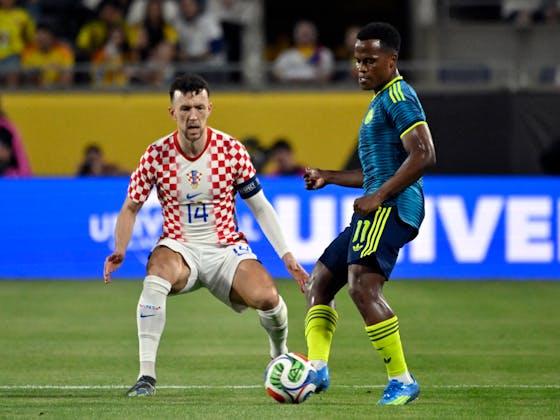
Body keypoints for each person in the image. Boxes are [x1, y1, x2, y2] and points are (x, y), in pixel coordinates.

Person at [103, 73, 308, 397]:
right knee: (156, 273)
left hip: (226, 249)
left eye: (199, 107)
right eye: (185, 109)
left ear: (210, 108)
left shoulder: (231, 150)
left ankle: (278, 356)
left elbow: (260, 207)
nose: (193, 116)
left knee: (269, 299)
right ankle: (146, 376)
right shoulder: (156, 154)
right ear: (172, 112)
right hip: (179, 247)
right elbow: (130, 207)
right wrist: (120, 249)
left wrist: (288, 257)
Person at [302, 22, 436, 406]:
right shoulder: (379, 101)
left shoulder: (399, 96)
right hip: (381, 202)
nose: (361, 68)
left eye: (370, 60)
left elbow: (424, 154)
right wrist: (329, 176)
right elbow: (377, 172)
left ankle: (402, 380)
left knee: (362, 286)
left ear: (391, 61)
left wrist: (378, 196)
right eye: (358, 60)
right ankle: (317, 368)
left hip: (394, 206)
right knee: (319, 282)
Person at [21, 23, 74, 88]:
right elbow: (27, 76)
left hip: (59, 90)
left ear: (52, 37)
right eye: (38, 36)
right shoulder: (28, 51)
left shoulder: (64, 51)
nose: (40, 39)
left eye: (44, 37)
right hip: (36, 90)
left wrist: (55, 88)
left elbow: (68, 75)